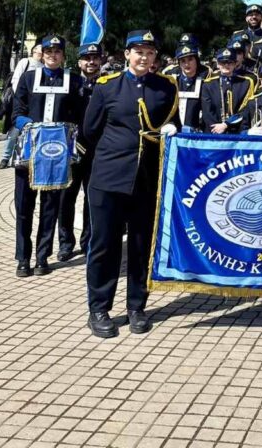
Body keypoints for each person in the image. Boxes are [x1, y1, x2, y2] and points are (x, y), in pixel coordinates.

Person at [83, 30, 180, 338]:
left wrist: (172, 127)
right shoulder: (107, 87)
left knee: (140, 247)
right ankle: (99, 309)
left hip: (146, 180)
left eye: (149, 52)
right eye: (138, 51)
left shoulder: (166, 87)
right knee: (104, 246)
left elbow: (172, 121)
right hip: (109, 179)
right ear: (126, 54)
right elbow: (90, 130)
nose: (143, 57)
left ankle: (136, 306)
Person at [12, 35, 85, 277]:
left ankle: (42, 256)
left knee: (50, 207)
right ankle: (23, 258)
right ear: (41, 54)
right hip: (30, 153)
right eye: (48, 51)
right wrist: (28, 125)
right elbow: (17, 109)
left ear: (64, 55)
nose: (53, 55)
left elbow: (80, 114)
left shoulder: (74, 81)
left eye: (57, 52)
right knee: (24, 206)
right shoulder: (29, 77)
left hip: (57, 155)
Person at [57, 41, 103, 261]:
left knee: (91, 199)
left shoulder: (107, 84)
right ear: (79, 61)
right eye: (87, 58)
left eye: (95, 58)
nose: (91, 62)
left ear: (101, 60)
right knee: (66, 197)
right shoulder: (70, 84)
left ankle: (88, 241)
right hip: (72, 149)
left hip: (97, 151)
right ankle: (66, 243)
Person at [0, 42, 43, 169]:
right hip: (21, 102)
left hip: (35, 104)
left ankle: (24, 157)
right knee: (15, 130)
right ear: (34, 50)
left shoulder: (45, 65)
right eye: (41, 48)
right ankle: (5, 157)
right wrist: (21, 98)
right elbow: (16, 79)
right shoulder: (26, 61)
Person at [200, 48, 255, 132]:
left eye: (230, 62)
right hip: (213, 132)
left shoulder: (246, 83)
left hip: (237, 131)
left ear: (235, 64)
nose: (226, 65)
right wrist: (217, 128)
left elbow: (245, 109)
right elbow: (207, 111)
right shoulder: (208, 84)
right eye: (222, 62)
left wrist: (226, 124)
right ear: (217, 64)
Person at [171, 36, 209, 127]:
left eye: (190, 59)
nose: (187, 64)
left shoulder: (206, 74)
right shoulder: (170, 75)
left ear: (196, 60)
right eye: (183, 61)